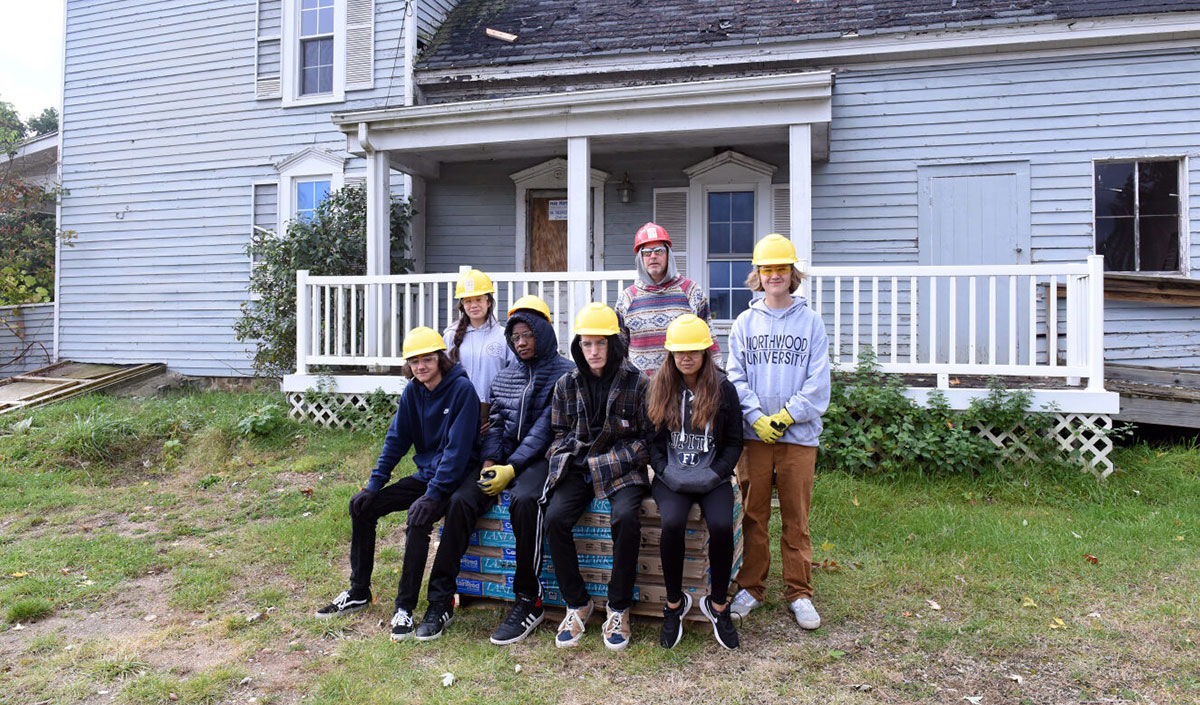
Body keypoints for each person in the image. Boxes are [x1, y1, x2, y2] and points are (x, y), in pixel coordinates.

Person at [421, 295, 574, 643]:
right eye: (515, 337)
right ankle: (441, 598)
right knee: (461, 500)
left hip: (542, 459)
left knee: (524, 501)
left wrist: (513, 467)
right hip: (503, 459)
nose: (520, 342)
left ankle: (528, 599)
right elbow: (496, 425)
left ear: (544, 332)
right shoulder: (505, 377)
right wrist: (491, 462)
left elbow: (546, 429)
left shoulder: (566, 374)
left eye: (527, 335)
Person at [314, 326, 481, 642]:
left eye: (428, 360)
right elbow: (396, 440)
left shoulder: (462, 391)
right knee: (362, 507)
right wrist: (373, 485)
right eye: (415, 361)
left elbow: (457, 454)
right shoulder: (413, 392)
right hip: (427, 476)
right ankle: (359, 591)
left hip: (455, 479)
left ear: (440, 359)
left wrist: (432, 495)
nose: (421, 367)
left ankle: (404, 608)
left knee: (418, 519)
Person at [725, 234, 830, 631]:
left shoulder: (811, 322)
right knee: (753, 515)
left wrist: (784, 418)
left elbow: (819, 382)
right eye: (766, 269)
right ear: (757, 274)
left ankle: (799, 592)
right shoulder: (744, 323)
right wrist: (756, 418)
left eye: (781, 268)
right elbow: (734, 378)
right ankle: (751, 587)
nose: (774, 276)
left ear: (792, 273)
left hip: (798, 438)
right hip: (754, 437)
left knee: (795, 516)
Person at [543, 302, 653, 651]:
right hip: (580, 467)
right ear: (578, 346)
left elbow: (645, 442)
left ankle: (619, 607)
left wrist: (600, 465)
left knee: (625, 518)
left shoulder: (638, 383)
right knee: (555, 518)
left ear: (614, 344)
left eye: (600, 343)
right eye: (587, 344)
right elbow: (558, 433)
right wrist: (574, 459)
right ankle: (577, 603)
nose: (593, 351)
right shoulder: (566, 384)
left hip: (622, 470)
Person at [647, 314, 744, 650]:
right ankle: (675, 604)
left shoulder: (723, 388)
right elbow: (652, 443)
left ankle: (718, 604)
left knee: (720, 525)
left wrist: (716, 474)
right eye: (679, 352)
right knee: (671, 523)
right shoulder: (660, 388)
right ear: (670, 355)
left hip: (712, 475)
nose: (686, 357)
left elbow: (734, 442)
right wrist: (665, 472)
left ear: (706, 352)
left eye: (693, 351)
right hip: (672, 475)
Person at [615, 222, 720, 374]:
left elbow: (709, 341)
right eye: (647, 252)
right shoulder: (627, 298)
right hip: (640, 391)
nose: (653, 256)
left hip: (682, 388)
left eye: (659, 251)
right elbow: (618, 350)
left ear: (668, 254)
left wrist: (719, 378)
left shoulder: (691, 292)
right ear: (640, 258)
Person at [443, 268, 514, 422]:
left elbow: (514, 377)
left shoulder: (503, 336)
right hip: (457, 410)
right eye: (468, 301)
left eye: (478, 299)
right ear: (462, 305)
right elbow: (441, 375)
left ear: (488, 302)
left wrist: (499, 414)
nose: (473, 305)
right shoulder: (450, 336)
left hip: (495, 412)